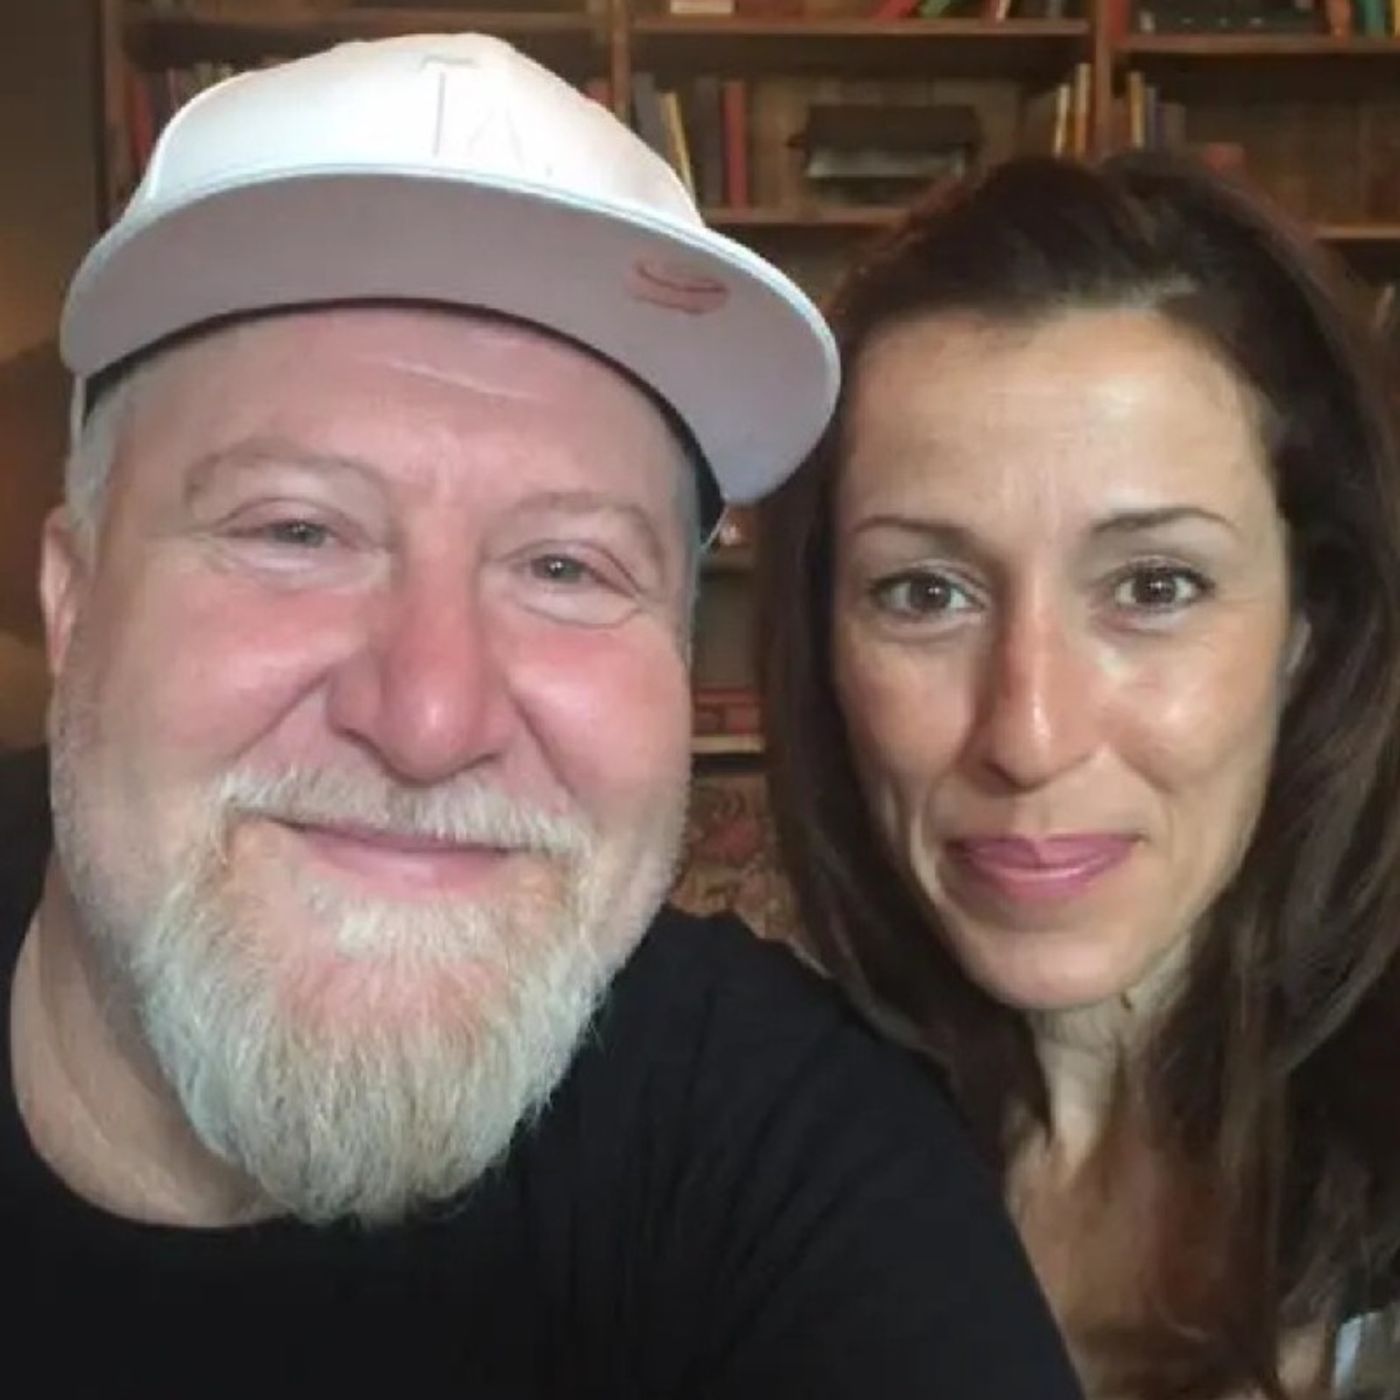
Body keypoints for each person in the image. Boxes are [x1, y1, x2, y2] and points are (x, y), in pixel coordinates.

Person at [0, 32, 1084, 1399]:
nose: (430, 717)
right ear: (74, 599)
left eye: (567, 567)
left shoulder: (788, 1152)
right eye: (295, 531)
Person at [755, 152, 1400, 1399]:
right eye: (924, 592)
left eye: (1152, 585)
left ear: (1308, 630)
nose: (1028, 732)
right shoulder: (746, 1148)